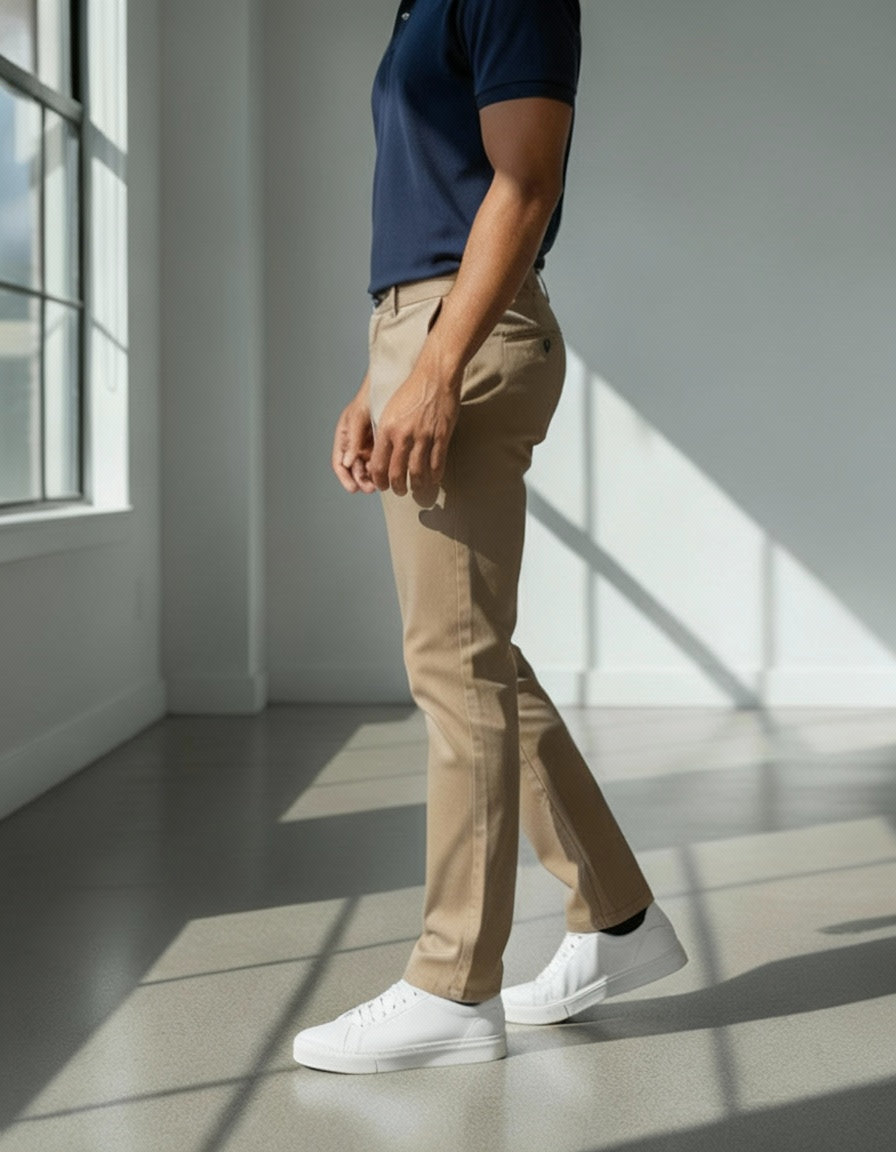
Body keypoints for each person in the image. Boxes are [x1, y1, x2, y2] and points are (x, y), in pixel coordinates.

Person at [292, 0, 687, 1074]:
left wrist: (428, 368)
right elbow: (435, 200)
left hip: (458, 333)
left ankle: (450, 985)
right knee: (475, 659)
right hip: (416, 322)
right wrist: (377, 378)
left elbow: (523, 183)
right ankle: (617, 919)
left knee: (452, 664)